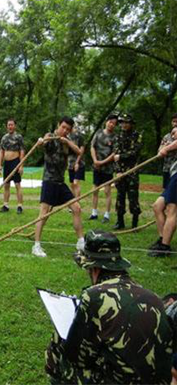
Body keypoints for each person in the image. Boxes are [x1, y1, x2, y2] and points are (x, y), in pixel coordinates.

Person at [45, 230, 174, 384]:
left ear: (94, 268)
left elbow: (78, 356)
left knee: (58, 352)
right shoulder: (151, 296)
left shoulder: (94, 296)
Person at [32, 117, 84, 257]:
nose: (65, 130)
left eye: (68, 129)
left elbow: (79, 152)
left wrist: (67, 141)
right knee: (43, 213)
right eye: (63, 127)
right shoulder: (50, 136)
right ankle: (36, 245)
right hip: (49, 181)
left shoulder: (67, 142)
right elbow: (42, 144)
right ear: (58, 125)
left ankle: (81, 243)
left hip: (61, 183)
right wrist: (40, 142)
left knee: (76, 208)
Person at [148, 128, 177, 256]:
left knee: (172, 208)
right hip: (174, 175)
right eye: (172, 133)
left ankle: (165, 247)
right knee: (157, 206)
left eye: (175, 132)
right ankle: (162, 239)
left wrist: (165, 149)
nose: (173, 134)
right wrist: (164, 148)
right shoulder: (171, 142)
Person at [112, 113, 142, 230]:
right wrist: (118, 171)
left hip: (132, 171)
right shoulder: (118, 136)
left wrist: (121, 156)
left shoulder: (137, 136)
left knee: (133, 197)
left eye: (126, 122)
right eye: (122, 122)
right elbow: (115, 155)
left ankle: (134, 223)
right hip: (121, 172)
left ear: (131, 124)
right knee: (120, 197)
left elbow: (134, 153)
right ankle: (120, 222)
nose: (124, 125)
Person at [90, 114, 118, 223]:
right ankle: (94, 213)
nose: (112, 125)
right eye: (110, 122)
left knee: (107, 191)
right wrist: (95, 160)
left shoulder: (115, 137)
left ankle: (106, 215)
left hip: (108, 168)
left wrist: (102, 162)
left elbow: (114, 153)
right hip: (97, 167)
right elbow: (92, 146)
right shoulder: (98, 133)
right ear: (106, 122)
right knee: (95, 190)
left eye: (114, 124)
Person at [0, 118, 25, 214]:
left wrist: (21, 165)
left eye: (12, 125)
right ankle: (5, 205)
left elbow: (22, 151)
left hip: (16, 162)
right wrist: (0, 164)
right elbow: (1, 151)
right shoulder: (4, 138)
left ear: (15, 126)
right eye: (8, 125)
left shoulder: (18, 137)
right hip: (7, 163)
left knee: (17, 184)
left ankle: (20, 206)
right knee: (6, 185)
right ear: (7, 126)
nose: (10, 126)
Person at [67, 127, 85, 199]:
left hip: (79, 163)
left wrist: (77, 163)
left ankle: (77, 202)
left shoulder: (79, 137)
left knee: (76, 183)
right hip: (70, 164)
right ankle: (72, 202)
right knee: (72, 184)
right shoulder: (67, 137)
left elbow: (82, 151)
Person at [160, 113, 177, 190]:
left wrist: (169, 148)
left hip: (176, 169)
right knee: (166, 191)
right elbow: (160, 152)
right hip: (167, 168)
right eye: (174, 121)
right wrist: (164, 147)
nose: (175, 124)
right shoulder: (167, 136)